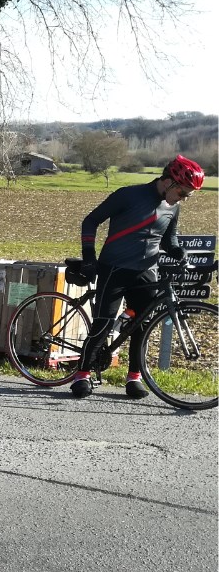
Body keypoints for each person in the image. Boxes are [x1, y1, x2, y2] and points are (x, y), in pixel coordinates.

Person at [70, 154, 205, 400]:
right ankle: (82, 375)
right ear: (168, 182)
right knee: (103, 323)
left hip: (146, 273)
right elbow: (90, 221)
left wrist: (180, 253)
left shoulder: (172, 207)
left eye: (188, 196)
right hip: (114, 268)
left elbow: (169, 241)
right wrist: (89, 257)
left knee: (140, 326)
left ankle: (134, 377)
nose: (183, 199)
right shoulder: (128, 195)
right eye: (183, 193)